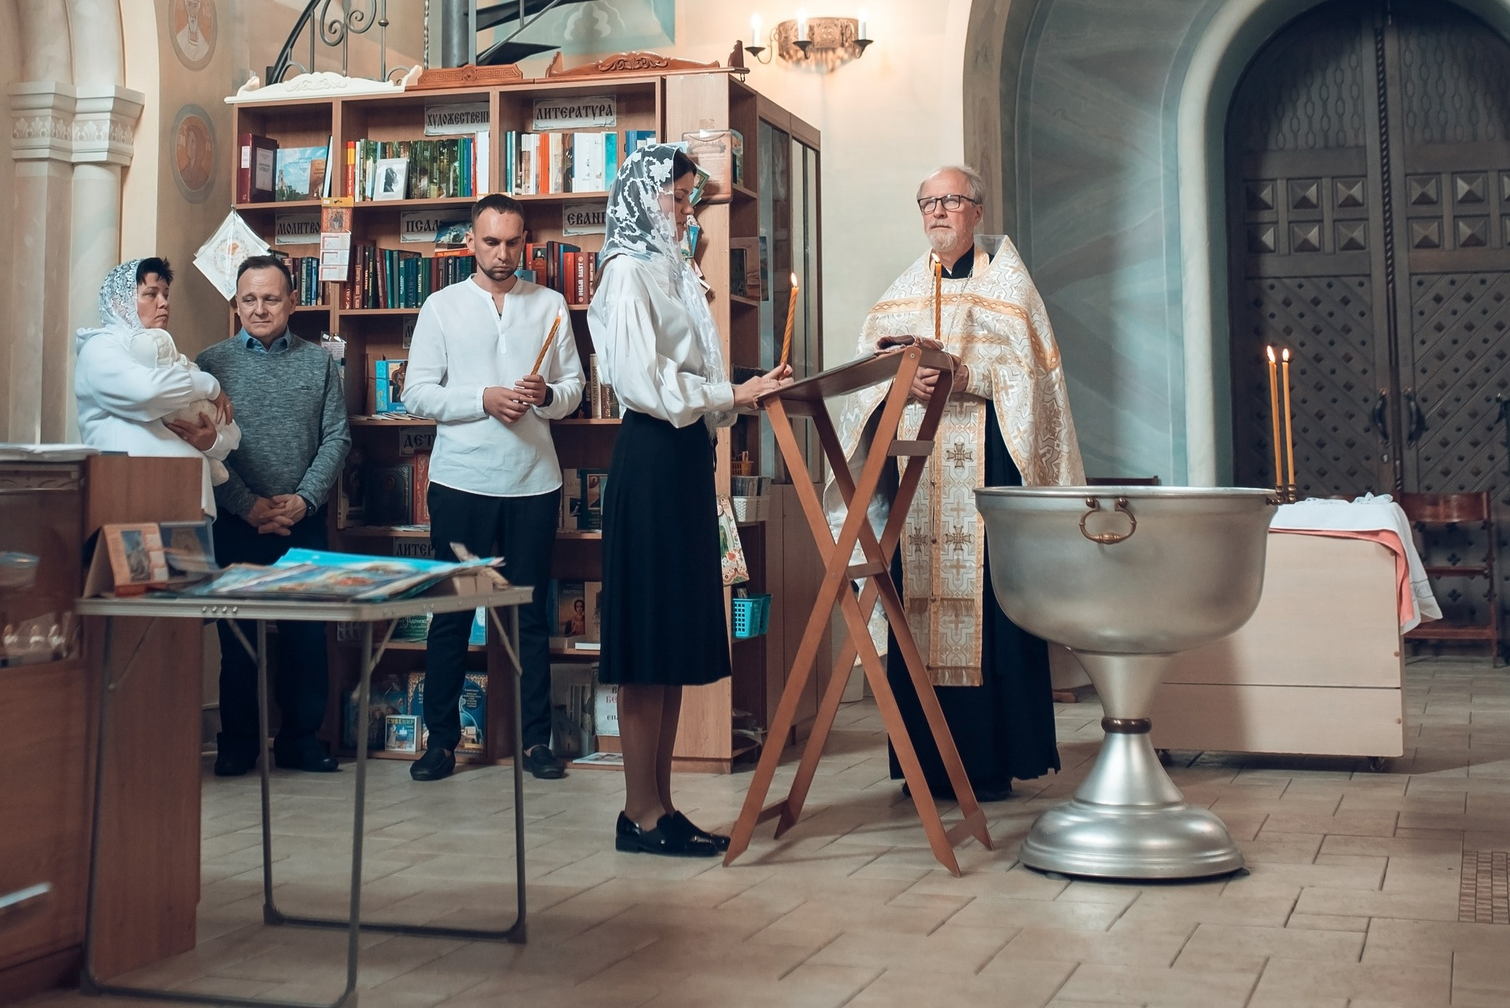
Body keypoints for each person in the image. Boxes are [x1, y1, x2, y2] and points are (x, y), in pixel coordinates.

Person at [834, 166, 1085, 803]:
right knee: (915, 600)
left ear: (977, 210)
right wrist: (898, 381)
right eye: (928, 202)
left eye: (950, 200)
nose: (938, 211)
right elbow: (862, 384)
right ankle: (924, 762)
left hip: (987, 472)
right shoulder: (899, 295)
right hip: (917, 479)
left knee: (991, 606)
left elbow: (1033, 388)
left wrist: (965, 374)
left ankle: (994, 758)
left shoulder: (1011, 290)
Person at [588, 144, 792, 855]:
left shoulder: (673, 270)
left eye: (688, 199)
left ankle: (662, 806)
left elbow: (694, 374)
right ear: (645, 197)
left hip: (682, 458)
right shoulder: (628, 271)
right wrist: (733, 393)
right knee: (646, 647)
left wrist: (734, 393)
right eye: (674, 198)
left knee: (670, 643)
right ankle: (638, 812)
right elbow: (648, 386)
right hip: (648, 455)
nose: (684, 211)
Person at [400, 194, 587, 782]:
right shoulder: (441, 306)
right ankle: (440, 744)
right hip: (461, 484)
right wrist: (482, 398)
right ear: (471, 243)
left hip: (534, 482)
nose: (502, 253)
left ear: (525, 241)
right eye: (490, 242)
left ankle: (536, 744)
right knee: (452, 615)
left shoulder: (551, 303)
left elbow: (575, 387)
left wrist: (547, 396)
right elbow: (417, 395)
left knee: (530, 617)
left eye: (512, 242)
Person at [196, 257, 352, 776]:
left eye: (270, 299)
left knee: (306, 638)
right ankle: (239, 742)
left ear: (291, 303)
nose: (259, 308)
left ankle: (301, 741)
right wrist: (248, 505)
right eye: (248, 299)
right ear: (235, 304)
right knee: (238, 639)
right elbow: (203, 448)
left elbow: (337, 437)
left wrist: (305, 499)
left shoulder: (319, 364)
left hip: (302, 520)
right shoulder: (207, 366)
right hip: (237, 522)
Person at [74, 257, 238, 507]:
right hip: (134, 498)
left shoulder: (169, 355)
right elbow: (146, 393)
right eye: (151, 294)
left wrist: (212, 442)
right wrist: (208, 384)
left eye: (166, 294)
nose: (164, 303)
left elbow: (228, 428)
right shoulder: (100, 347)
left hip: (191, 497)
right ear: (120, 303)